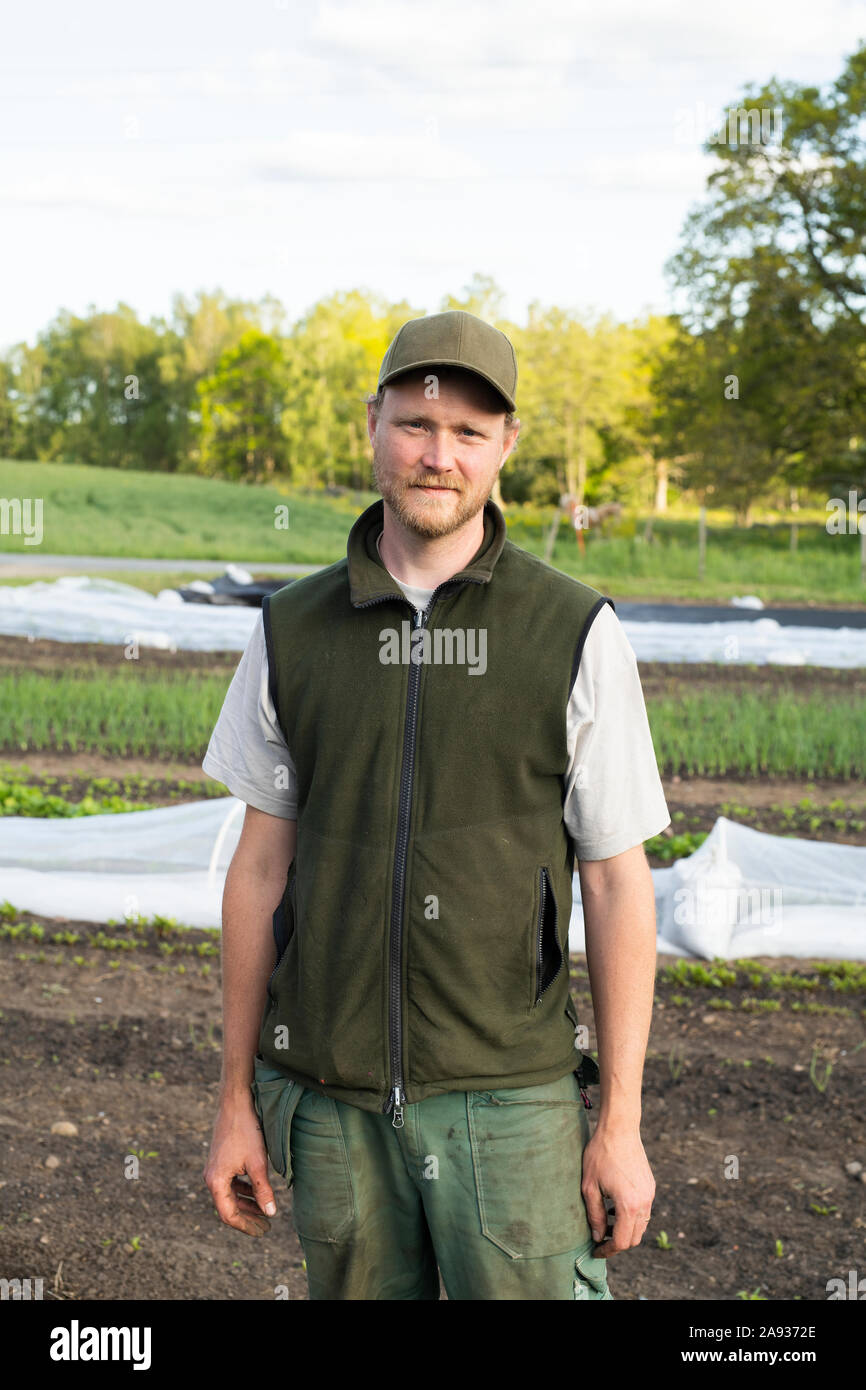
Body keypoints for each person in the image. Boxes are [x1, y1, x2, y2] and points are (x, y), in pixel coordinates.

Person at [202, 310, 670, 1300]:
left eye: (467, 431)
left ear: (505, 445)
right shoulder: (290, 630)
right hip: (331, 1107)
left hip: (508, 1100)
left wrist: (618, 1121)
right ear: (371, 425)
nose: (436, 454)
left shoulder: (574, 631)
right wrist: (234, 1096)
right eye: (415, 424)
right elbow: (257, 870)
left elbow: (618, 882)